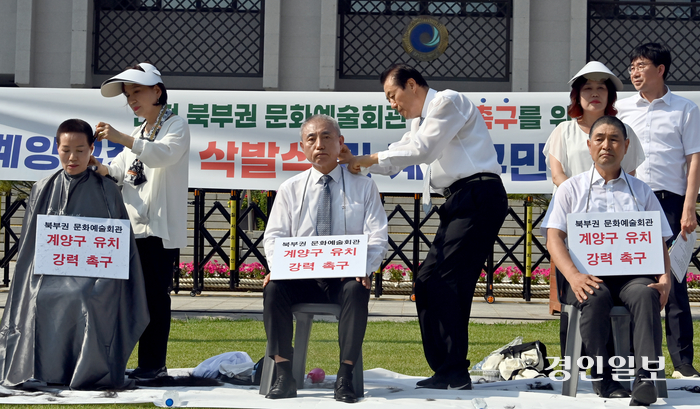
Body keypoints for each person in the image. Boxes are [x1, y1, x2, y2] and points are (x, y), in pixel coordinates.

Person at [343, 64, 508, 390]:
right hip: (460, 201)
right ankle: (448, 369)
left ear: (413, 85)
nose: (393, 104)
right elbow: (398, 154)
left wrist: (367, 159)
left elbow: (422, 150)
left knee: (444, 280)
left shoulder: (447, 101)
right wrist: (358, 163)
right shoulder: (420, 121)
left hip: (479, 195)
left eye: (393, 95)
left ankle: (454, 370)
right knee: (432, 280)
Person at [0, 119, 149, 389]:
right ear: (56, 149)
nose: (73, 157)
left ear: (92, 149)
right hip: (50, 275)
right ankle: (45, 370)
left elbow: (120, 249)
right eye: (66, 150)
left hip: (95, 277)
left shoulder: (108, 191)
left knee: (85, 297)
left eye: (81, 150)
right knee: (41, 296)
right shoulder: (42, 187)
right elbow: (30, 249)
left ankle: (86, 371)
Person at [542, 116, 672, 406]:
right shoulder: (570, 189)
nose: (606, 145)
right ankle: (604, 378)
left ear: (626, 146)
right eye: (599, 138)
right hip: (586, 276)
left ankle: (644, 378)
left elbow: (659, 240)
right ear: (589, 146)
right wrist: (574, 276)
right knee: (594, 297)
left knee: (645, 293)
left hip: (633, 276)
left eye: (614, 139)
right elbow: (554, 239)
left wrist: (665, 279)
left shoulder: (642, 192)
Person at [262, 114, 388, 403]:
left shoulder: (364, 186)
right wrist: (278, 267)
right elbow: (274, 236)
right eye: (311, 139)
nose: (319, 144)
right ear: (302, 147)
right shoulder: (290, 188)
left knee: (358, 288)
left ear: (340, 142)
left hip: (343, 278)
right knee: (273, 288)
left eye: (327, 137)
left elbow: (377, 236)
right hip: (301, 277)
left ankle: (345, 377)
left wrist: (364, 268)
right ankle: (284, 374)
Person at [91, 62, 190, 380]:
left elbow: (163, 155)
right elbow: (119, 171)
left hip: (158, 229)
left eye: (137, 91)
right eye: (128, 94)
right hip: (131, 229)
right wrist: (97, 166)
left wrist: (122, 138)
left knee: (154, 298)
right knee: (130, 298)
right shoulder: (139, 133)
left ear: (157, 91)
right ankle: (134, 362)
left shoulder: (176, 125)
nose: (131, 99)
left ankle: (153, 364)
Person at [616, 42, 700, 379]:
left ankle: (682, 362)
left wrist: (689, 207)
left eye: (641, 66)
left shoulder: (685, 108)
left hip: (670, 203)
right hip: (630, 202)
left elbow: (694, 159)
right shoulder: (621, 108)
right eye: (632, 66)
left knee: (674, 281)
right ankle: (638, 360)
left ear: (660, 69)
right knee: (633, 280)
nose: (634, 73)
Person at [543, 61, 645, 191]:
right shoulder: (563, 130)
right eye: (588, 88)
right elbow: (557, 176)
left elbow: (629, 174)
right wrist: (581, 196)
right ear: (577, 96)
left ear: (610, 95)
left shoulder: (624, 131)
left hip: (612, 206)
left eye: (601, 88)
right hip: (572, 204)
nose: (595, 94)